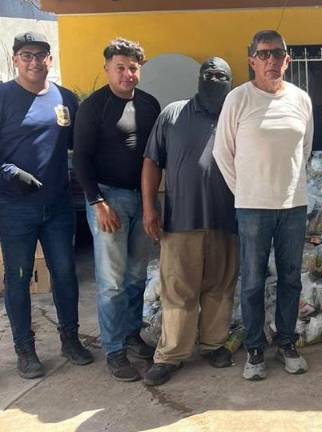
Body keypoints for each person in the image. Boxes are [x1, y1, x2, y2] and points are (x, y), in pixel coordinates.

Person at [213, 30, 313, 381]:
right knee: (253, 281)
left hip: (292, 205)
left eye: (278, 54)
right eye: (264, 54)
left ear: (288, 60)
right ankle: (255, 349)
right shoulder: (238, 100)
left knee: (290, 279)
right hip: (253, 207)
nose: (271, 60)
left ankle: (287, 341)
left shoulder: (301, 100)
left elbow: (305, 150)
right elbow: (221, 153)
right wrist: (246, 192)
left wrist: (290, 188)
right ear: (251, 60)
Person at [0, 31, 93, 378]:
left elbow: (82, 145)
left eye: (41, 55)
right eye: (27, 55)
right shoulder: (3, 97)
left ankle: (70, 339)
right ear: (15, 60)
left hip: (57, 206)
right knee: (19, 278)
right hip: (14, 208)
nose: (34, 62)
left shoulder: (64, 98)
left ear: (50, 59)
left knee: (66, 274)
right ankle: (25, 350)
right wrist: (10, 173)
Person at [140, 57, 238, 386]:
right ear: (198, 78)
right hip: (181, 220)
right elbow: (152, 162)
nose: (214, 79)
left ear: (230, 81)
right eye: (208, 74)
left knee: (220, 288)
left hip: (228, 220)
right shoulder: (173, 114)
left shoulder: (236, 115)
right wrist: (149, 207)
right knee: (178, 290)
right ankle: (171, 355)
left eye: (221, 76)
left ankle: (213, 345)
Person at [73, 38, 160, 382]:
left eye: (133, 67)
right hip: (108, 199)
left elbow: (155, 158)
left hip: (142, 199)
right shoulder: (94, 107)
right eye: (120, 67)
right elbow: (80, 158)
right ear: (107, 68)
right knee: (111, 282)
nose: (127, 74)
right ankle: (114, 350)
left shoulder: (150, 105)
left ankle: (130, 334)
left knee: (137, 275)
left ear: (141, 68)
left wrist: (152, 204)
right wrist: (97, 203)